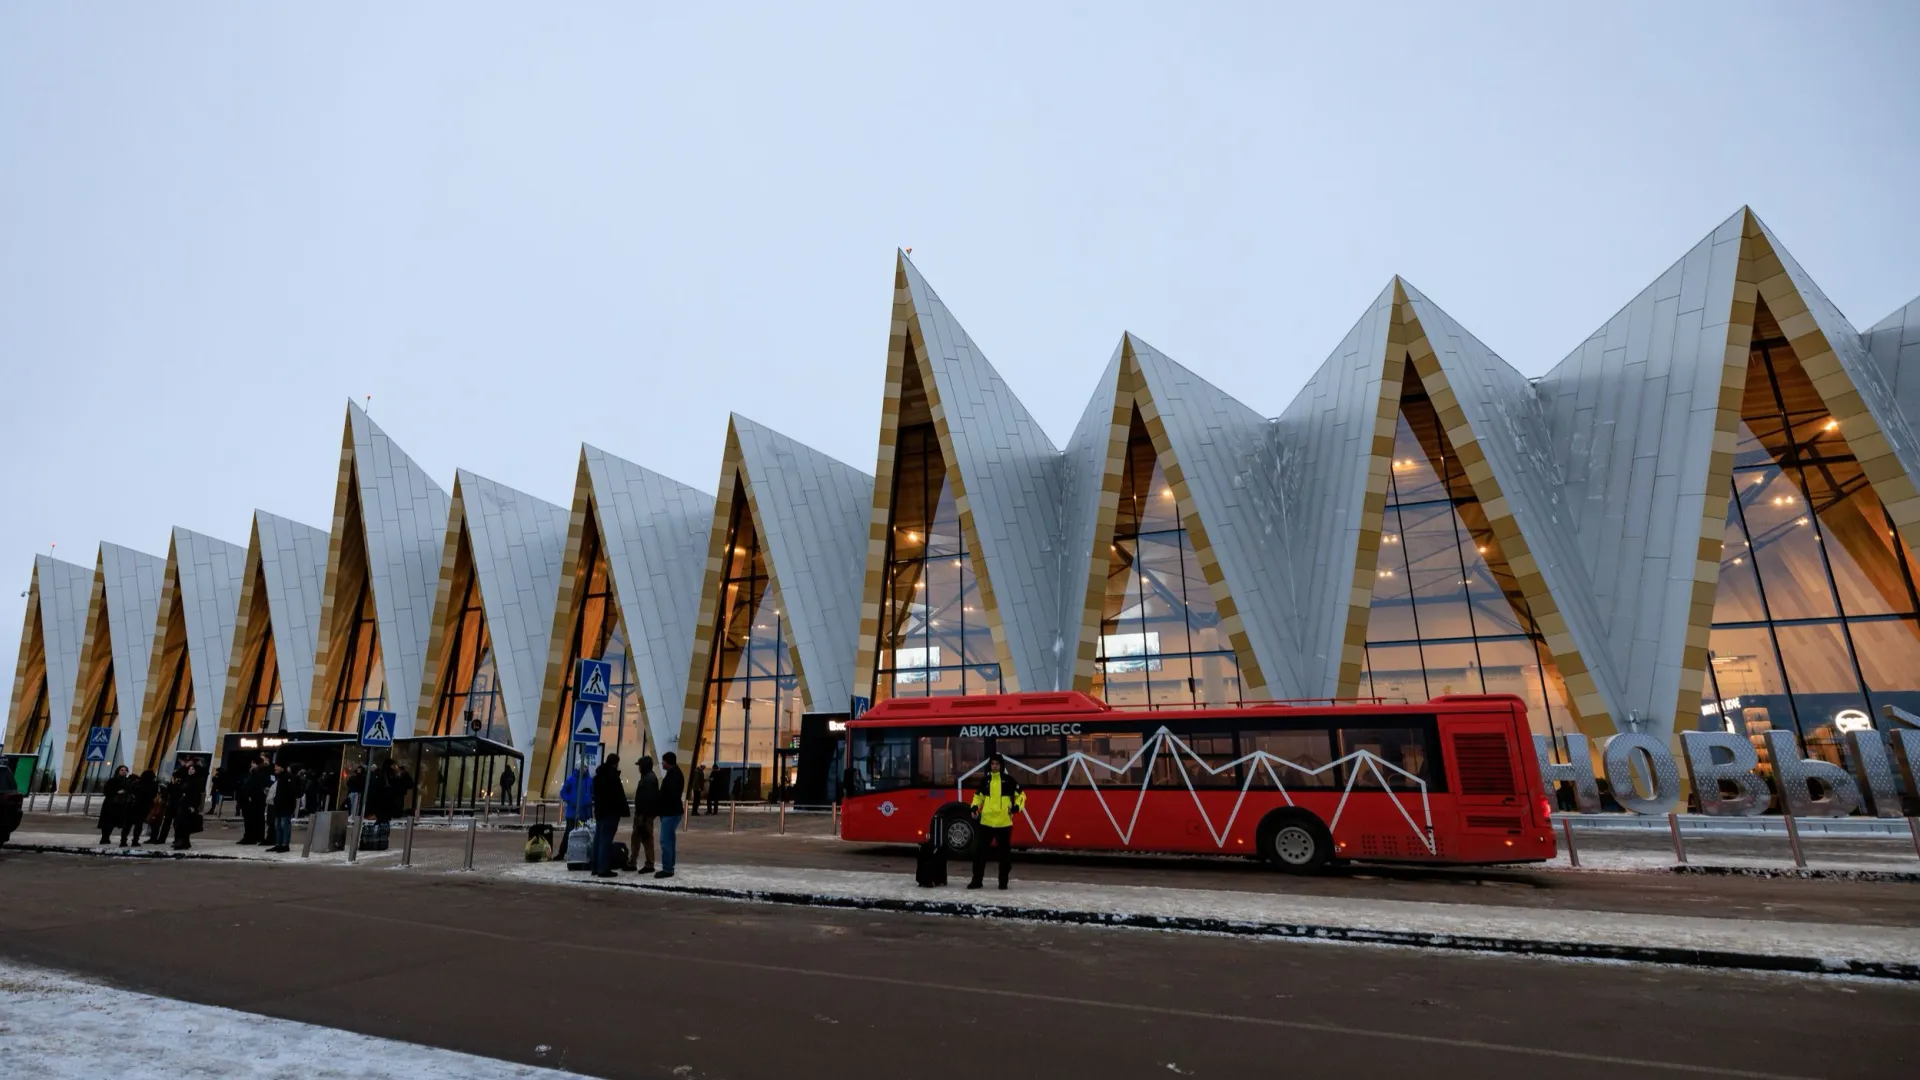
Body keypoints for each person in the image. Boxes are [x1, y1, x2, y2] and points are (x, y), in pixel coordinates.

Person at [967, 755, 1026, 891]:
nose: (994, 766)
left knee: (1004, 856)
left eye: (997, 764)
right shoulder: (985, 781)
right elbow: (978, 797)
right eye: (992, 764)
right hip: (986, 822)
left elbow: (1021, 796)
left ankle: (1003, 882)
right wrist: (974, 807)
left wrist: (1017, 807)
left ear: (1001, 765)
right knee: (980, 854)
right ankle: (977, 881)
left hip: (1004, 823)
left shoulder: (1009, 781)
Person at [590, 754, 629, 878]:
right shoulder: (613, 777)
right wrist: (623, 810)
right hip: (610, 812)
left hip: (600, 812)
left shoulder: (597, 777)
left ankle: (595, 867)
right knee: (605, 841)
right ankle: (603, 868)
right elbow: (618, 796)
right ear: (615, 763)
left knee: (598, 839)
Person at [654, 751, 684, 879]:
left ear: (668, 762)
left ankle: (667, 868)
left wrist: (660, 803)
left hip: (670, 812)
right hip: (672, 812)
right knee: (670, 840)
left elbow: (670, 796)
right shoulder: (675, 774)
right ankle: (669, 866)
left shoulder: (673, 776)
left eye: (663, 761)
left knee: (665, 840)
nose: (662, 764)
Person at [627, 755, 658, 873]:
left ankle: (649, 864)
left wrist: (643, 816)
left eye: (640, 765)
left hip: (644, 815)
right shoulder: (647, 777)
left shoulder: (649, 779)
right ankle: (632, 862)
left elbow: (649, 799)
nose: (639, 768)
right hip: (642, 814)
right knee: (637, 838)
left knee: (646, 838)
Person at [558, 762, 593, 860]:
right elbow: (563, 792)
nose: (585, 769)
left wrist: (590, 799)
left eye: (586, 767)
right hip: (573, 813)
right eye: (583, 767)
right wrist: (570, 800)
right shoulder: (571, 779)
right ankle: (562, 853)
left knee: (586, 834)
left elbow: (593, 792)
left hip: (585, 813)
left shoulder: (590, 780)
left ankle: (584, 853)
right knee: (569, 832)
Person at [170, 762, 204, 851]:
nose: (190, 770)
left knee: (184, 824)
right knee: (179, 823)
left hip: (189, 805)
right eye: (189, 769)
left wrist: (194, 806)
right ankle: (180, 841)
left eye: (192, 769)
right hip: (182, 804)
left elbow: (197, 795)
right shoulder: (186, 779)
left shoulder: (197, 781)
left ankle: (183, 842)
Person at [268, 762, 300, 852]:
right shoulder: (281, 777)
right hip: (279, 806)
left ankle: (285, 844)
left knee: (284, 825)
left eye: (277, 766)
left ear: (282, 767)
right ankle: (278, 844)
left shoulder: (288, 777)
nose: (275, 768)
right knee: (278, 825)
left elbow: (293, 792)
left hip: (286, 806)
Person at [239, 758, 271, 844]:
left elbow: (254, 786)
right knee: (256, 819)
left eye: (252, 763)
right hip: (254, 799)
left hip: (254, 799)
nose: (251, 765)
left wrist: (249, 795)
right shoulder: (257, 773)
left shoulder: (258, 773)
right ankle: (255, 836)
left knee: (252, 819)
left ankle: (251, 837)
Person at [99, 765, 132, 846]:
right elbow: (106, 791)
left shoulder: (127, 781)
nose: (124, 772)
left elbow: (129, 790)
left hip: (121, 805)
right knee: (107, 822)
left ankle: (122, 840)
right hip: (110, 804)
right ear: (118, 771)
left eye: (125, 770)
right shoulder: (112, 780)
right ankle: (105, 838)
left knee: (118, 822)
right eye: (122, 770)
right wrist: (117, 792)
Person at [131, 769, 159, 848]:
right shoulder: (153, 785)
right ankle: (135, 840)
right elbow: (153, 795)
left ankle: (125, 840)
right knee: (140, 824)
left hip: (136, 805)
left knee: (131, 824)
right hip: (146, 806)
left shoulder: (137, 784)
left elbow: (132, 792)